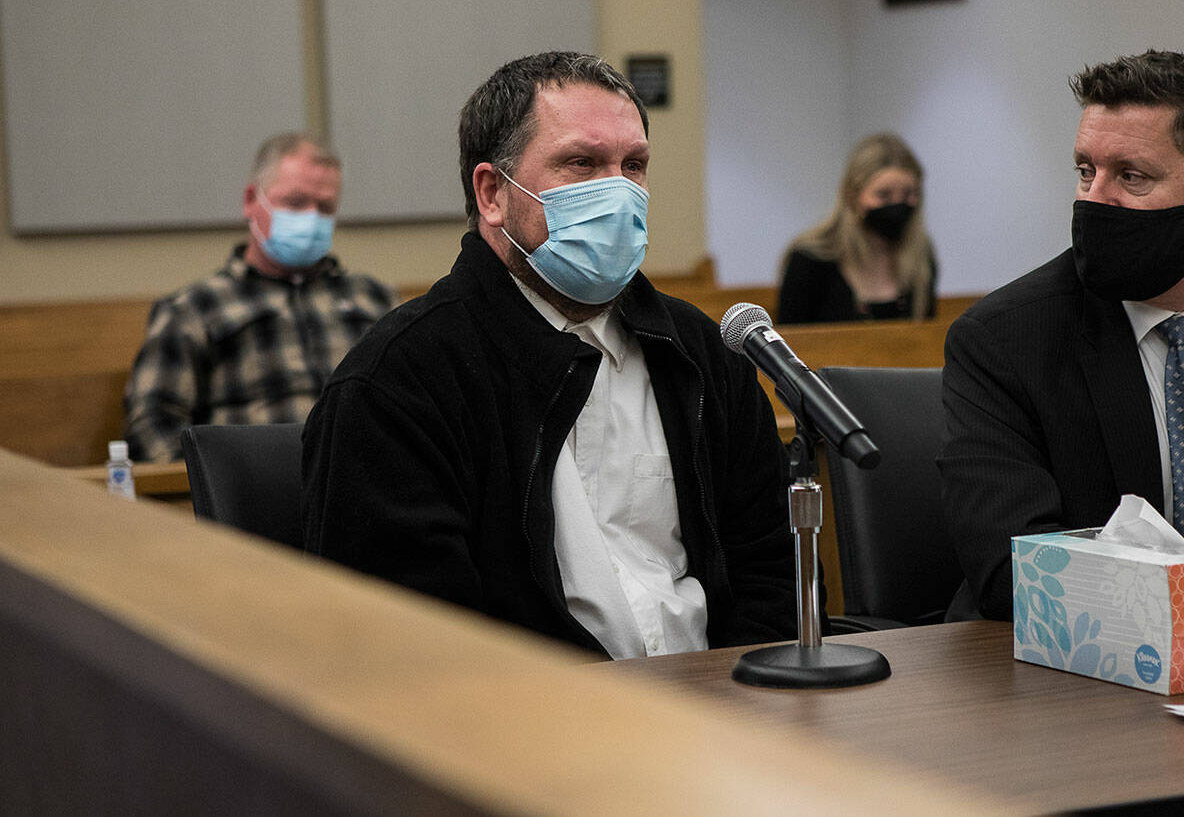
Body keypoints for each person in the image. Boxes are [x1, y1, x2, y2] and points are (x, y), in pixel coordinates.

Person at [299, 52, 797, 659]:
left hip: (723, 712)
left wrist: (744, 707)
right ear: (491, 194)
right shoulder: (400, 381)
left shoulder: (700, 352)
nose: (617, 191)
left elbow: (769, 571)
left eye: (633, 166)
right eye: (580, 164)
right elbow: (410, 641)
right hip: (525, 732)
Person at [939, 50, 1184, 623]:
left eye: (1131, 177)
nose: (1093, 199)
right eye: (1086, 170)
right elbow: (1014, 573)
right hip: (1060, 678)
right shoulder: (1005, 341)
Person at [123, 132, 397, 462]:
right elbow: (151, 426)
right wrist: (211, 490)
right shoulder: (194, 310)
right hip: (248, 497)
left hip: (365, 490)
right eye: (295, 203)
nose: (311, 218)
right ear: (252, 200)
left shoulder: (376, 301)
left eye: (325, 207)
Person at [776, 133, 937, 324]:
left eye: (909, 194)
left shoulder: (920, 258)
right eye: (884, 195)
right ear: (853, 195)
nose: (898, 204)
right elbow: (789, 343)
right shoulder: (810, 259)